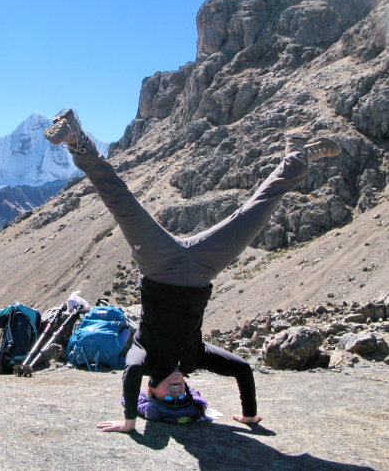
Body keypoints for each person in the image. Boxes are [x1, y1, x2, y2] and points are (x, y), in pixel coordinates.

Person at [43, 109, 341, 432]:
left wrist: (129, 422)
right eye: (180, 397)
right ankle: (297, 155)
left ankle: (76, 139)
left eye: (166, 398)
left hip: (158, 265)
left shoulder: (145, 359)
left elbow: (129, 374)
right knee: (255, 214)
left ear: (151, 389)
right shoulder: (194, 359)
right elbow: (242, 369)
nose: (175, 393)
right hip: (202, 268)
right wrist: (250, 416)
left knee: (121, 201)